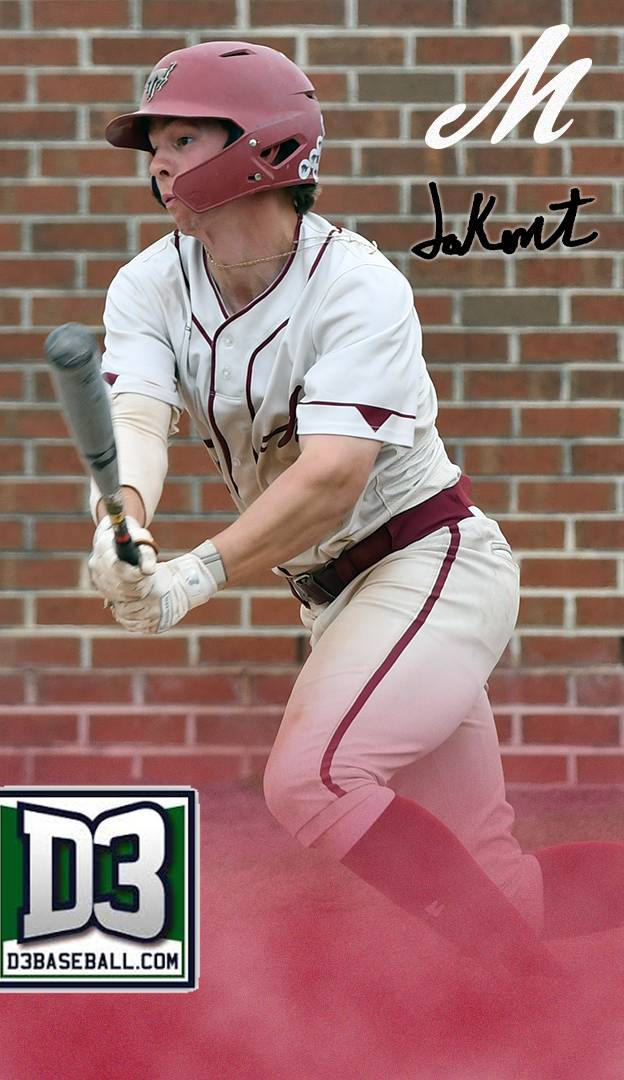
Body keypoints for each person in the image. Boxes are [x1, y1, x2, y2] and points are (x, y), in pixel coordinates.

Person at [90, 41, 624, 975]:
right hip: (341, 596)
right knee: (500, 891)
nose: (160, 162)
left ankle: (533, 1006)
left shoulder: (358, 285)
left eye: (182, 137)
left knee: (314, 778)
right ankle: (529, 982)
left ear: (264, 145)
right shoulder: (149, 282)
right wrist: (124, 523)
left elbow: (334, 476)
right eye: (155, 145)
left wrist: (197, 573)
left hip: (430, 564)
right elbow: (138, 420)